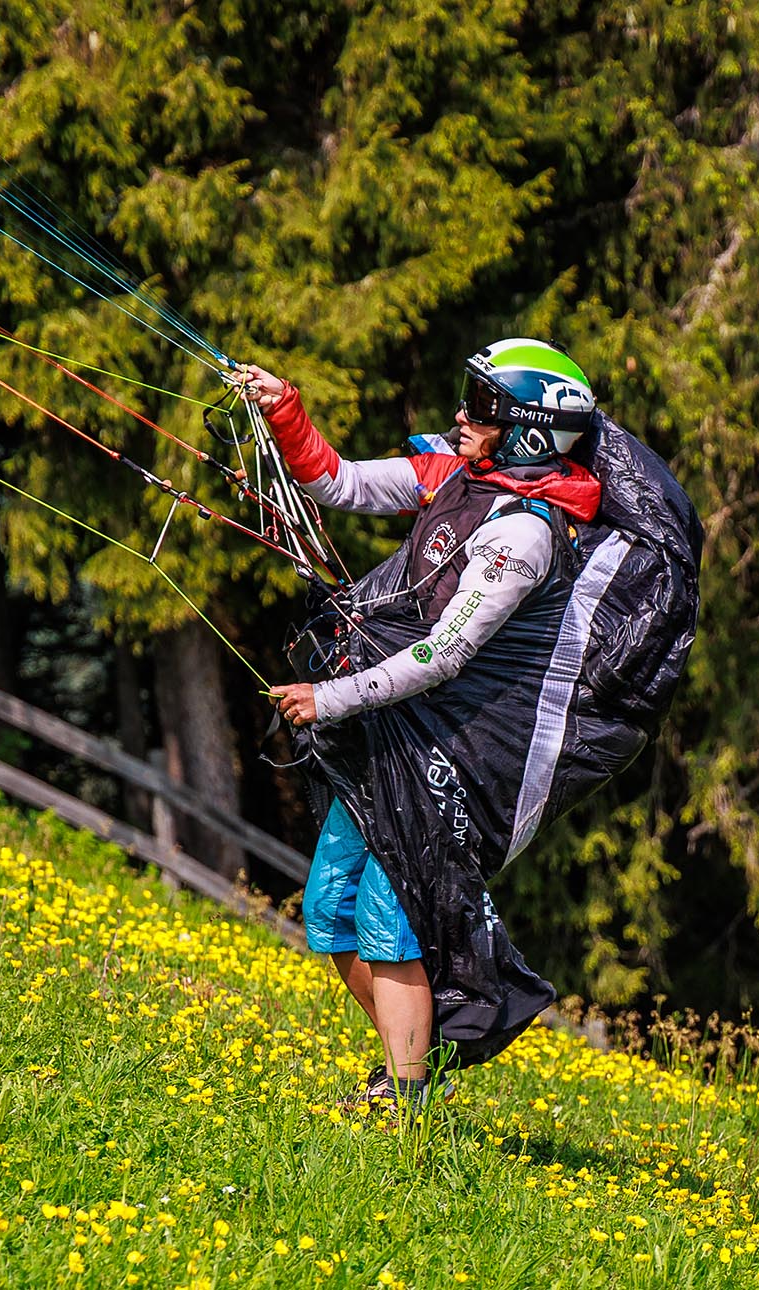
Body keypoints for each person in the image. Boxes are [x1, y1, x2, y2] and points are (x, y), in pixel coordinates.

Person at [239, 338, 604, 1118]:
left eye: (483, 406)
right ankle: (414, 1070)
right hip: (399, 734)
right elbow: (337, 482)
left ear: (530, 432)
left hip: (460, 752)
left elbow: (445, 654)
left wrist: (331, 699)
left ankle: (403, 1101)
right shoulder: (456, 473)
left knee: (387, 912)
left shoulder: (524, 535)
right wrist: (285, 410)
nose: (462, 415)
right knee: (330, 908)